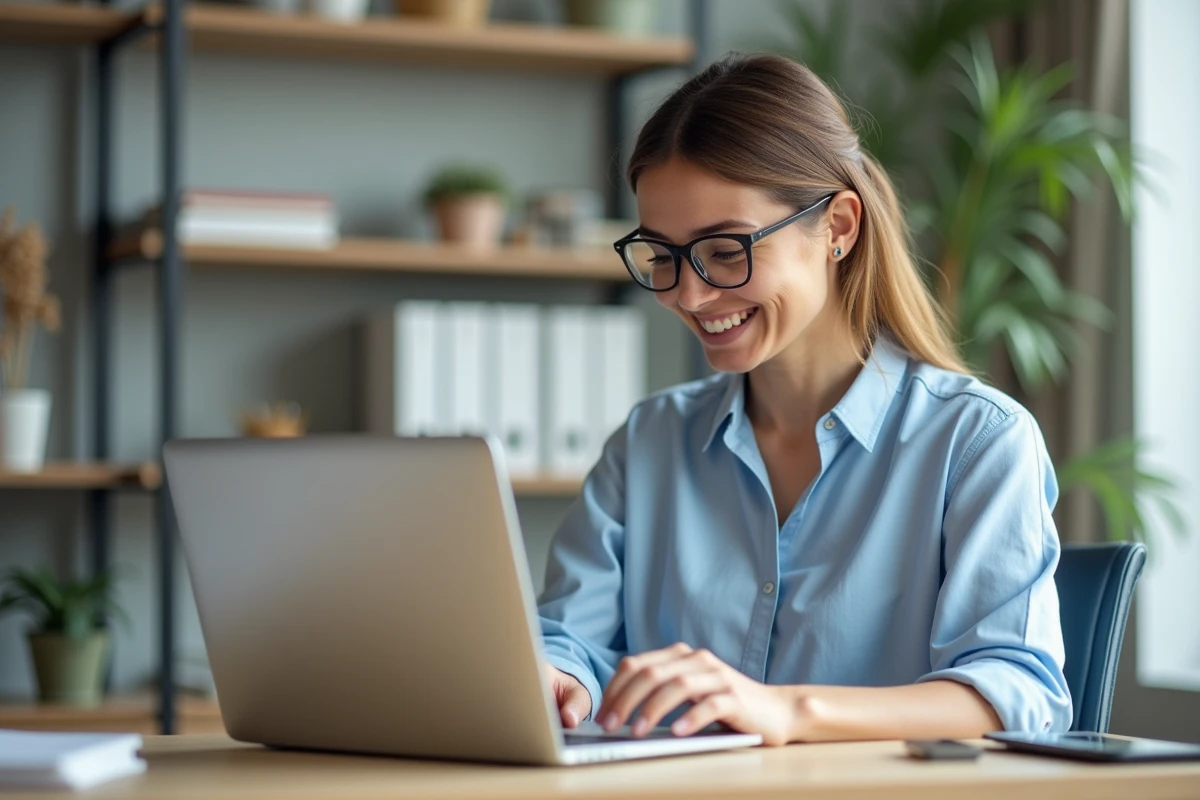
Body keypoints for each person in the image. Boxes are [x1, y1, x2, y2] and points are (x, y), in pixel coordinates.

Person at [537, 53, 1072, 747]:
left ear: (839, 228)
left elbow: (1019, 691)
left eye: (725, 250)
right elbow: (568, 639)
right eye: (661, 255)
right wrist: (560, 680)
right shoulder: (648, 442)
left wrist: (789, 711)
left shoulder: (978, 443)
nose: (688, 295)